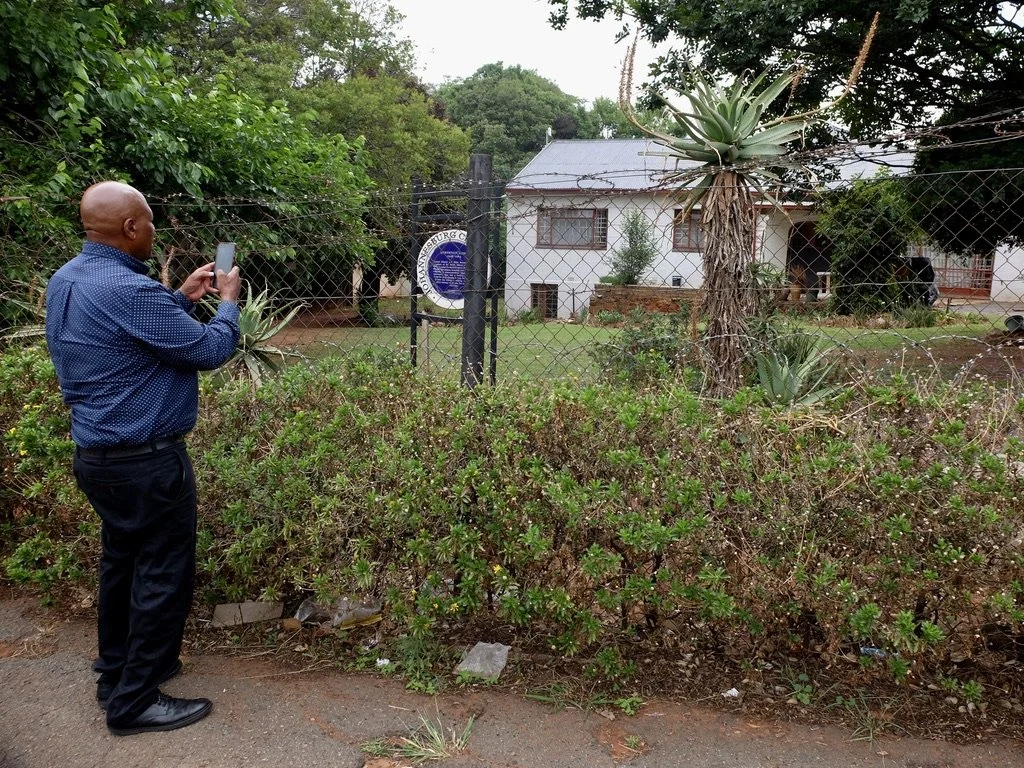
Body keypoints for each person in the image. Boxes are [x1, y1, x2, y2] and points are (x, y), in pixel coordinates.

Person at [45, 181, 241, 736]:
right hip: (147, 463)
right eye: (150, 221)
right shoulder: (129, 289)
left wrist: (182, 297)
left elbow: (125, 333)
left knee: (122, 565)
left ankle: (116, 673)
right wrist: (227, 303)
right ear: (131, 228)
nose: (153, 230)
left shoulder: (68, 279)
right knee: (161, 574)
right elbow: (209, 349)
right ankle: (133, 704)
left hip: (99, 459)